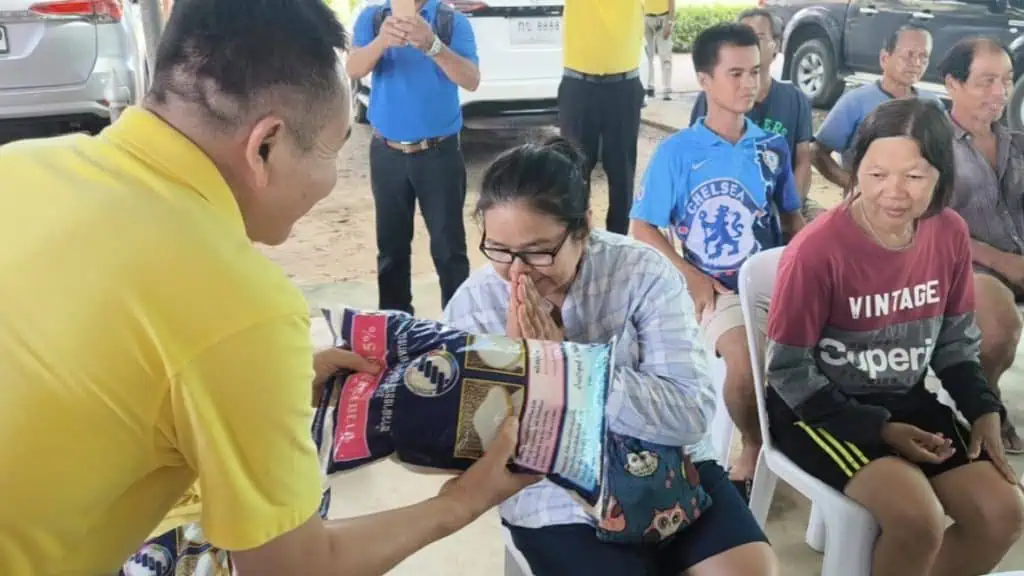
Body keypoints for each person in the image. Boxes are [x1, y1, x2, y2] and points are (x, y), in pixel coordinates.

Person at [0, 0, 537, 574]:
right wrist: (458, 504)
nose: (333, 179)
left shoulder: (21, 166)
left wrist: (258, 381)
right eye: (333, 151)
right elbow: (294, 567)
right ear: (265, 146)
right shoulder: (241, 306)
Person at [444, 136, 778, 576]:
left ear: (583, 227)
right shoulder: (475, 305)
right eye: (501, 251)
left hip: (672, 469)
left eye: (539, 251)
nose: (518, 272)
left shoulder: (641, 272)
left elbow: (690, 413)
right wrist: (514, 371)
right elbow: (469, 451)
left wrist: (572, 369)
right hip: (554, 494)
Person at [766, 97, 1024, 576]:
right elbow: (787, 370)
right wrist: (878, 429)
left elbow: (953, 342)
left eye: (915, 175)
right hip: (819, 411)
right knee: (916, 521)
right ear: (854, 168)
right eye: (877, 173)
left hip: (905, 398)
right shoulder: (818, 251)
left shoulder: (948, 233)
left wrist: (984, 409)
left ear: (942, 177)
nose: (894, 192)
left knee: (1002, 513)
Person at [631, 23, 804, 499]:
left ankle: (803, 448)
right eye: (735, 73)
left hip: (776, 280)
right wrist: (689, 274)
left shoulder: (772, 147)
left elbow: (791, 219)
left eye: (756, 71)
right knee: (745, 366)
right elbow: (642, 227)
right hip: (721, 288)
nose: (749, 83)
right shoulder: (678, 152)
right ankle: (751, 448)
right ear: (704, 80)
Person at [345, 0, 480, 314]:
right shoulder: (373, 17)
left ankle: (458, 331)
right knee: (390, 250)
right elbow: (353, 68)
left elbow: (471, 79)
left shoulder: (451, 21)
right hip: (387, 152)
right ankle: (395, 331)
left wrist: (432, 45)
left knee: (449, 251)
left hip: (438, 153)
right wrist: (382, 41)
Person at [942, 37, 1024, 453]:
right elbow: (931, 223)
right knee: (999, 329)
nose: (999, 92)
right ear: (952, 84)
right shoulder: (931, 145)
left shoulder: (1016, 141)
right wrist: (1003, 262)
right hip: (965, 266)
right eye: (986, 81)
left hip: (1018, 258)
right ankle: (982, 405)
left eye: (1006, 80)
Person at [689, 9, 819, 220]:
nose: (748, 44)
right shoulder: (712, 97)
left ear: (775, 46)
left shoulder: (794, 99)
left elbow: (803, 160)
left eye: (757, 37)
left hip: (783, 200)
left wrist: (790, 208)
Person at [558, 0, 646, 235]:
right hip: (578, 85)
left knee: (622, 171)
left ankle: (619, 241)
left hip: (624, 86)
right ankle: (575, 238)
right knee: (572, 169)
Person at [812, 24, 935, 190]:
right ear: (884, 58)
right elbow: (817, 151)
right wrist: (853, 186)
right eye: (909, 55)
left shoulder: (932, 105)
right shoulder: (856, 101)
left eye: (924, 57)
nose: (917, 63)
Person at [643, 0, 675, 100]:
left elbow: (672, 3)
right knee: (647, 55)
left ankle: (666, 89)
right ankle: (649, 86)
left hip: (663, 18)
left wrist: (669, 23)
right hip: (646, 18)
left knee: (665, 55)